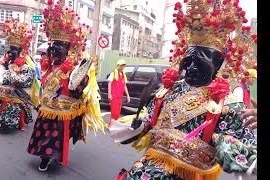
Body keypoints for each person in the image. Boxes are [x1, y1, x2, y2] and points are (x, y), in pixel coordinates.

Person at [111, 1, 257, 179]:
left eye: (201, 64)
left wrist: (236, 151)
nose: (192, 69)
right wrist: (140, 124)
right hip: (149, 166)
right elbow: (149, 118)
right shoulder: (171, 90)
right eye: (188, 62)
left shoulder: (228, 103)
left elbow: (237, 142)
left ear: (218, 64)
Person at [27, 1, 107, 172]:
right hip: (47, 109)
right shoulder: (50, 67)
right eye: (52, 48)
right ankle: (46, 155)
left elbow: (80, 88)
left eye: (58, 48)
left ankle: (48, 157)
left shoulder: (73, 68)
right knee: (43, 133)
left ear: (68, 49)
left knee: (55, 136)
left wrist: (80, 79)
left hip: (62, 111)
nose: (54, 51)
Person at [0, 17, 40, 131]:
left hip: (19, 93)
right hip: (7, 92)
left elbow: (25, 80)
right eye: (10, 50)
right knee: (4, 102)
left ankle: (16, 122)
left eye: (14, 51)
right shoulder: (8, 63)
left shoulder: (27, 66)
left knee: (15, 105)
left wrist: (14, 76)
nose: (10, 53)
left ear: (21, 52)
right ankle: (3, 121)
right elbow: (3, 77)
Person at [108, 59, 130, 127]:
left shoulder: (123, 74)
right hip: (114, 95)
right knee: (114, 111)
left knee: (118, 111)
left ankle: (115, 124)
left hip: (120, 96)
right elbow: (109, 83)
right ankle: (111, 125)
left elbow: (124, 85)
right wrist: (109, 94)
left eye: (123, 65)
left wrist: (128, 95)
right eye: (121, 65)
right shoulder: (113, 73)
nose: (122, 67)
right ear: (118, 66)